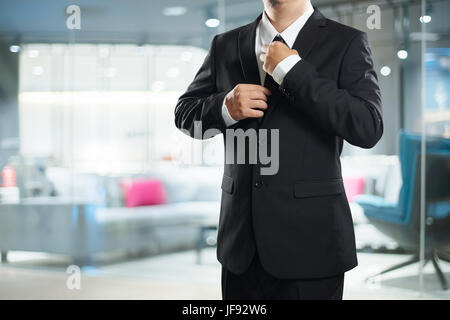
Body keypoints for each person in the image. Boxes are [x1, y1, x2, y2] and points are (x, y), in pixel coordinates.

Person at [175, 0, 383, 300]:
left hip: (310, 244)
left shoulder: (346, 41)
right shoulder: (225, 44)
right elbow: (185, 114)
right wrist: (224, 107)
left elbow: (367, 127)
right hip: (241, 246)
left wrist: (292, 70)